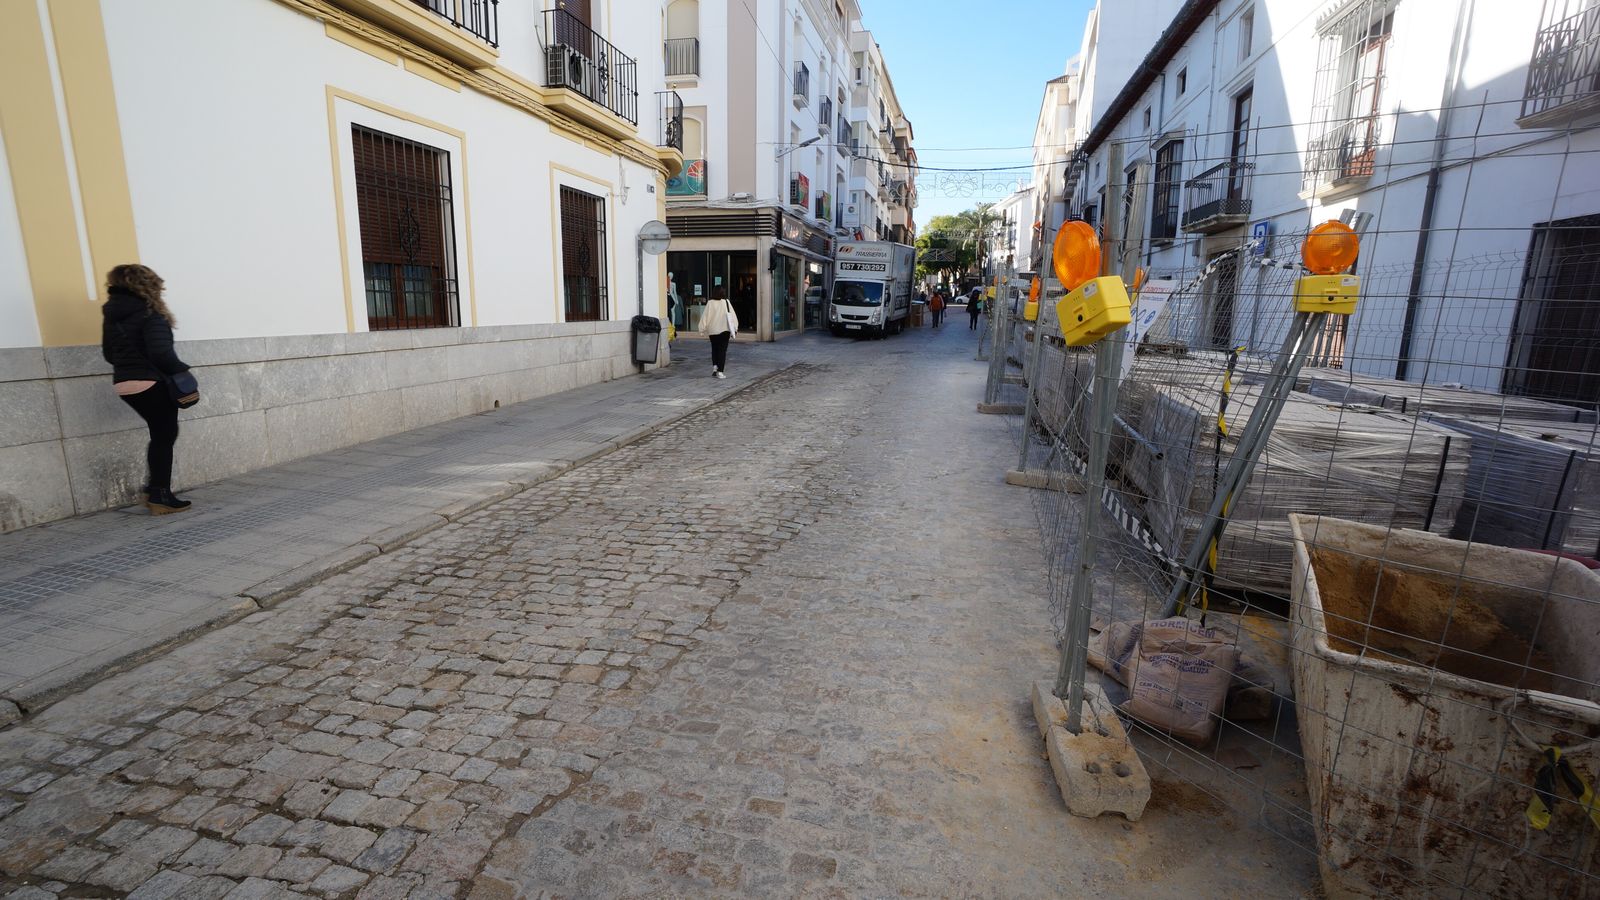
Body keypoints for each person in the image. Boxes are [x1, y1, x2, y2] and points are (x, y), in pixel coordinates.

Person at [101, 264, 192, 514]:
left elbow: (109, 354)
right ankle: (159, 496)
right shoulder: (150, 314)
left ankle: (155, 490)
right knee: (164, 436)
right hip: (151, 382)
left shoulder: (112, 316)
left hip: (124, 383)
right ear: (148, 286)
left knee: (161, 435)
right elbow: (162, 354)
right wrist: (183, 371)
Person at [698, 285, 738, 379]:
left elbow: (705, 317)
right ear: (723, 292)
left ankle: (715, 368)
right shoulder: (726, 302)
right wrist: (735, 327)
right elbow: (733, 316)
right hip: (724, 330)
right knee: (722, 351)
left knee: (714, 349)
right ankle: (720, 371)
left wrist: (701, 329)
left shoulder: (710, 303)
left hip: (713, 331)